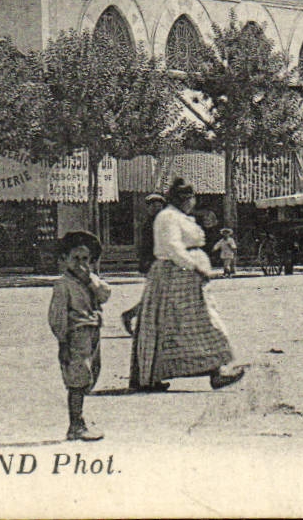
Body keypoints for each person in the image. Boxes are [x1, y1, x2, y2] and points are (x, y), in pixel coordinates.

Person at [129, 178, 245, 392]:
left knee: (187, 324)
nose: (192, 202)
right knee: (196, 322)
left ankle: (214, 371)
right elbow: (173, 247)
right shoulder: (168, 217)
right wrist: (195, 267)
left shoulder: (180, 217)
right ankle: (212, 372)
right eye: (190, 198)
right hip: (175, 275)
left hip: (184, 277)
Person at [49, 229, 112, 441]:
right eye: (75, 259)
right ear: (64, 260)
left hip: (93, 331)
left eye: (85, 259)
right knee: (78, 377)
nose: (80, 264)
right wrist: (63, 340)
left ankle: (80, 417)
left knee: (92, 373)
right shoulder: (63, 285)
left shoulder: (91, 280)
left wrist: (90, 281)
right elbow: (57, 316)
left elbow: (105, 295)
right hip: (76, 334)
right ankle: (76, 423)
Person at [120, 192, 165, 335]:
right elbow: (146, 247)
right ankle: (132, 315)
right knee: (156, 297)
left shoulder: (159, 223)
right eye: (153, 206)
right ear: (149, 208)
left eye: (159, 206)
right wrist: (145, 263)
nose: (156, 208)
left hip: (159, 263)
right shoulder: (149, 224)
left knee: (156, 296)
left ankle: (133, 316)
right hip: (154, 264)